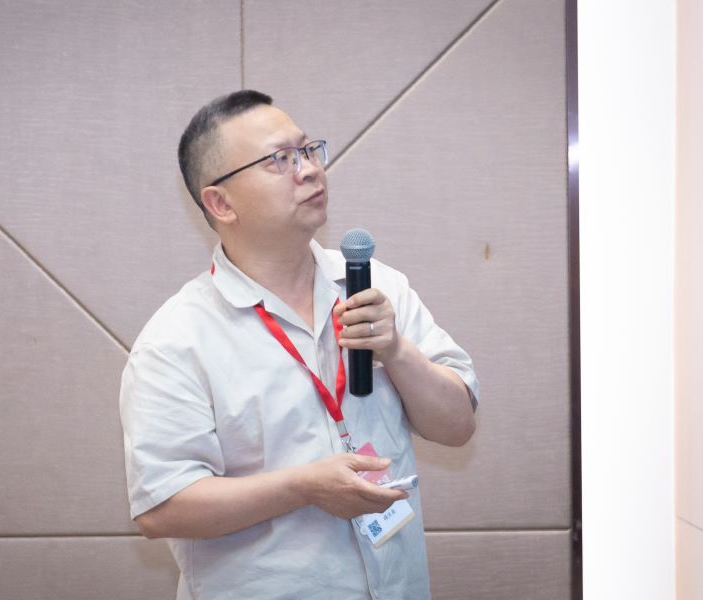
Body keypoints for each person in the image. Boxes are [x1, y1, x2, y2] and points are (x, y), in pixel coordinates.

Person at [119, 90, 479, 600]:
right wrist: (303, 487)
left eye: (309, 150)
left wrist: (397, 351)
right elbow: (161, 508)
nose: (309, 170)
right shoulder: (177, 339)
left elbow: (458, 426)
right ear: (221, 203)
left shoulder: (378, 286)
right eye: (279, 160)